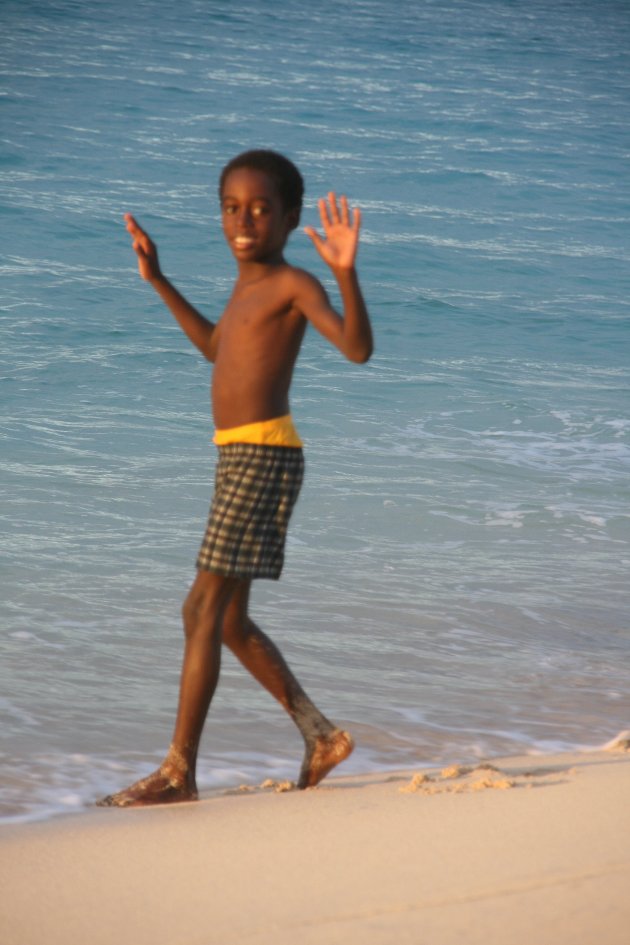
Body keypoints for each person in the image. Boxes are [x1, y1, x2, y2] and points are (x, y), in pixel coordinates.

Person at [98, 149, 373, 807]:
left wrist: (345, 273)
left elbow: (357, 348)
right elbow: (218, 347)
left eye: (259, 208)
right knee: (226, 621)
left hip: (263, 456)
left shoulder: (293, 282)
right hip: (239, 455)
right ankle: (321, 734)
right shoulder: (246, 283)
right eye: (231, 207)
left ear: (288, 218)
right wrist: (158, 279)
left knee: (200, 608)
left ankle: (177, 772)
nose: (243, 219)